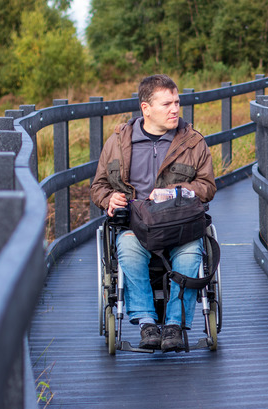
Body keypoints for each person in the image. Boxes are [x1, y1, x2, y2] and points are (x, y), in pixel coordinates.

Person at [91, 74, 216, 351]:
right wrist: (109, 197)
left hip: (179, 226)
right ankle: (147, 323)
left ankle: (173, 325)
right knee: (127, 246)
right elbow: (97, 186)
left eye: (177, 102)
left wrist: (175, 192)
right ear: (146, 108)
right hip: (136, 227)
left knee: (190, 253)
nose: (175, 109)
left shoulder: (193, 142)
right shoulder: (118, 143)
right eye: (166, 104)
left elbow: (207, 186)